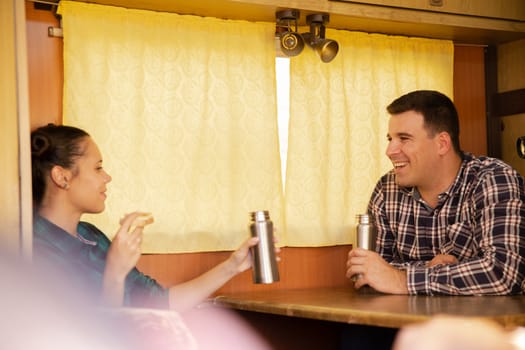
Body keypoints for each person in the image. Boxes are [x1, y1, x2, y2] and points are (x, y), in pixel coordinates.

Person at [31, 123, 279, 311]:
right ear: (62, 176)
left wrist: (233, 266)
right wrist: (116, 273)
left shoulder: (91, 235)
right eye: (97, 168)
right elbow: (89, 335)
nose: (107, 177)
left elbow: (159, 302)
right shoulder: (34, 247)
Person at [346, 90, 525, 296]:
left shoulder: (493, 179)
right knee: (354, 330)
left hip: (477, 324)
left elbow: (503, 273)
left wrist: (402, 280)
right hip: (401, 318)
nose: (390, 150)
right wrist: (430, 271)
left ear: (442, 143)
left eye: (404, 138)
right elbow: (370, 274)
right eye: (390, 138)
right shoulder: (387, 188)